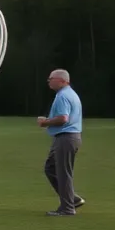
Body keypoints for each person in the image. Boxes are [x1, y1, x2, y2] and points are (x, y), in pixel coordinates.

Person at [39, 69, 84, 216]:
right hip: (68, 137)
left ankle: (67, 208)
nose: (49, 81)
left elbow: (63, 118)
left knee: (63, 173)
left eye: (51, 78)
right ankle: (72, 199)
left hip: (66, 137)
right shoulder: (69, 94)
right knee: (50, 168)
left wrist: (45, 122)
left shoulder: (62, 96)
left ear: (62, 80)